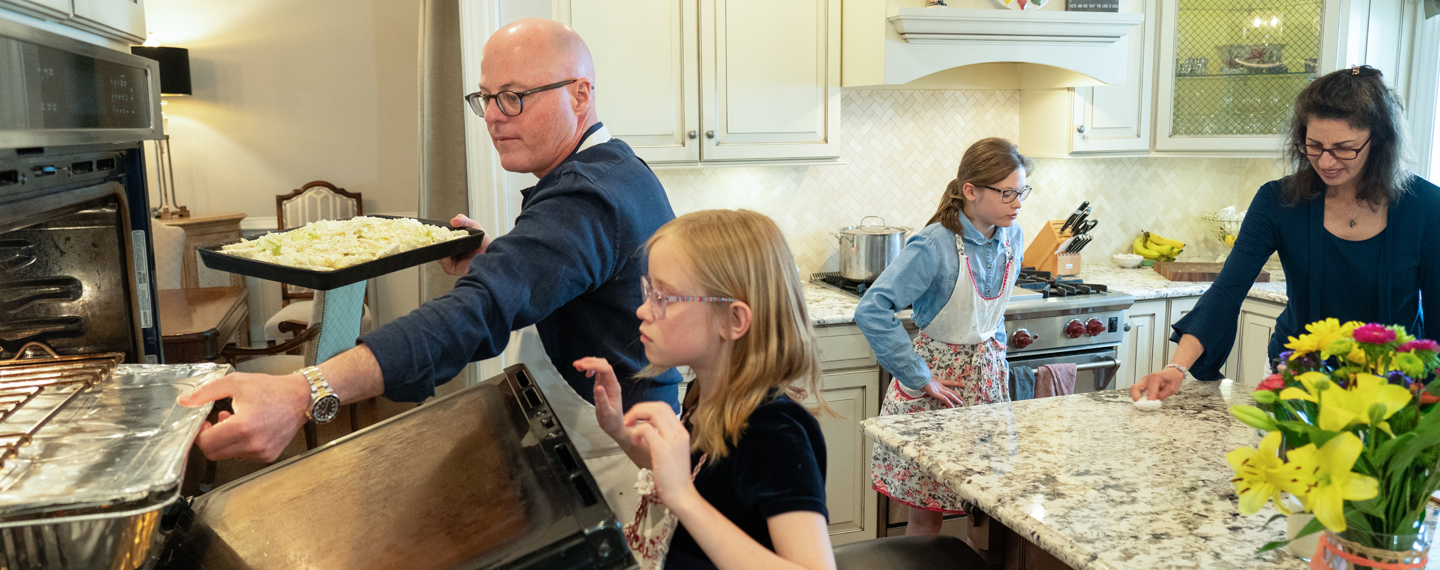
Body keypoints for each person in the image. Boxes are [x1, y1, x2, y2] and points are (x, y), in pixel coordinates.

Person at [179, 19, 682, 465]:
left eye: (513, 96)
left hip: (618, 444)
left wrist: (303, 390)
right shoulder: (610, 168)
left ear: (579, 95)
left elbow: (476, 312)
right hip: (600, 418)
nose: (493, 116)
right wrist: (498, 258)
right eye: (486, 97)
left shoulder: (586, 195)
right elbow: (567, 276)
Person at [1132, 65, 1440, 402]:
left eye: (1343, 147)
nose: (1326, 162)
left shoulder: (1427, 208)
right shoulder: (1279, 201)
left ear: (1379, 141)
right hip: (1295, 376)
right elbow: (1227, 291)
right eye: (1314, 145)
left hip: (1397, 386)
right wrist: (1176, 367)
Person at [574, 210, 835, 570]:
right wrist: (619, 430)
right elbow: (698, 480)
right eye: (649, 291)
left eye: (664, 297)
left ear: (733, 320)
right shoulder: (705, 395)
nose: (642, 310)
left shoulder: (775, 432)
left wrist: (683, 498)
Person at [854, 137, 1031, 535]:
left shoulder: (1013, 236)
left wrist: (995, 356)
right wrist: (920, 377)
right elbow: (871, 310)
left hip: (988, 386)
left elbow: (992, 311)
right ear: (970, 191)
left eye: (1021, 192)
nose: (1017, 203)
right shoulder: (933, 244)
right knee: (927, 507)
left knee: (988, 503)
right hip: (938, 388)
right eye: (1006, 193)